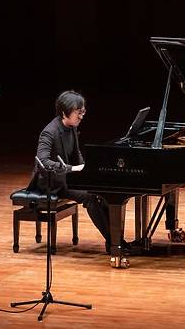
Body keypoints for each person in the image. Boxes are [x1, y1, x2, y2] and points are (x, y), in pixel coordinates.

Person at [29, 90, 126, 254]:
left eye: (83, 112)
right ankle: (114, 243)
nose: (81, 116)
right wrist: (71, 169)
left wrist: (90, 172)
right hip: (51, 184)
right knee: (91, 197)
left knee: (102, 193)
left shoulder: (71, 128)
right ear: (64, 113)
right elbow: (42, 162)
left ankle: (115, 241)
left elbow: (77, 156)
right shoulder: (49, 132)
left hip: (66, 180)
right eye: (78, 112)